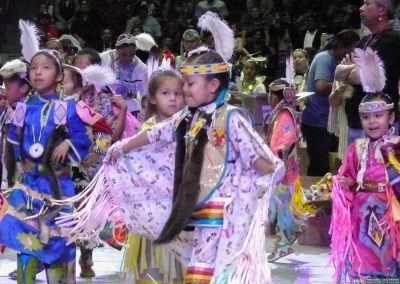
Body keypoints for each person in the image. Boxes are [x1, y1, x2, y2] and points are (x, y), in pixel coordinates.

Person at [56, 49, 285, 283]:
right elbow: (156, 133)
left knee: (208, 273)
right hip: (194, 207)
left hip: (222, 210)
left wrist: (269, 174)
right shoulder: (189, 116)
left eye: (190, 84)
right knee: (200, 271)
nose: (184, 90)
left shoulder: (231, 117)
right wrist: (122, 147)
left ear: (214, 85)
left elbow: (256, 156)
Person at [0, 49, 91, 283]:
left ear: (60, 76)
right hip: (28, 187)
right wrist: (11, 177)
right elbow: (11, 146)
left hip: (57, 189)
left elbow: (83, 139)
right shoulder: (21, 108)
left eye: (46, 67)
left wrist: (68, 143)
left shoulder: (68, 108)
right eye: (34, 67)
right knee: (24, 241)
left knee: (55, 246)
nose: (38, 71)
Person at [330, 48, 400, 281]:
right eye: (367, 117)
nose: (372, 122)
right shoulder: (357, 148)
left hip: (390, 214)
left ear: (391, 118)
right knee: (362, 263)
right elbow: (351, 178)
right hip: (361, 214)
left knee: (390, 259)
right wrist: (344, 181)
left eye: (379, 116)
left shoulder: (397, 147)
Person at [122, 70, 186, 283]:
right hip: (150, 209)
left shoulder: (189, 127)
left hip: (177, 207)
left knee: (177, 269)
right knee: (150, 267)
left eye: (178, 93)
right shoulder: (147, 130)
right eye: (165, 93)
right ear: (153, 98)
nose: (173, 98)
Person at [335, 0, 400, 145]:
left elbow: (360, 76)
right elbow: (338, 73)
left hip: (380, 127)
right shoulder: (364, 40)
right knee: (355, 166)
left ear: (382, 9)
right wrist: (354, 70)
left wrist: (353, 71)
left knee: (380, 168)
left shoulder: (393, 40)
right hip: (356, 123)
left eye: (367, 4)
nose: (361, 8)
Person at [301, 29, 359, 176]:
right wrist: (345, 83)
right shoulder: (324, 58)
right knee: (320, 166)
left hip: (327, 123)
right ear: (341, 46)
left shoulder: (337, 60)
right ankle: (315, 197)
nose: (353, 54)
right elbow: (320, 86)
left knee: (331, 165)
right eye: (351, 49)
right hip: (316, 122)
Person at [264, 79, 307, 262]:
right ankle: (287, 240)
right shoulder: (281, 113)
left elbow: (287, 140)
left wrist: (276, 160)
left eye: (271, 94)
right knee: (283, 209)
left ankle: (283, 246)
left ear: (276, 96)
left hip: (284, 172)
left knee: (282, 210)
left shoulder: (284, 114)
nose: (269, 97)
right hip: (283, 170)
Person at [100, 34, 149, 101]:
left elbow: (145, 94)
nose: (128, 58)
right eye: (124, 55)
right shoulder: (102, 58)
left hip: (128, 100)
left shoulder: (142, 68)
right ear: (116, 49)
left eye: (132, 54)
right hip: (103, 98)